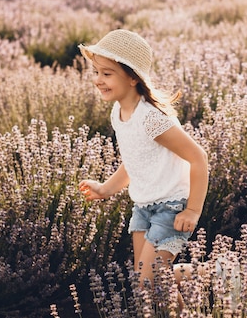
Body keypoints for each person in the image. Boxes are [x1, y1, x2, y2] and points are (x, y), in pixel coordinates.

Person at [77, 29, 209, 290]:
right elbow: (135, 159)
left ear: (132, 78)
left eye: (107, 73)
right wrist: (106, 189)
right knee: (147, 285)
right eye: (96, 72)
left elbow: (198, 158)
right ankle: (219, 272)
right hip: (143, 208)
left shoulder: (151, 119)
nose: (98, 80)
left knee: (149, 284)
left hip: (171, 208)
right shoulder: (119, 112)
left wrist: (192, 210)